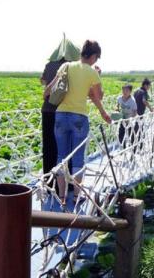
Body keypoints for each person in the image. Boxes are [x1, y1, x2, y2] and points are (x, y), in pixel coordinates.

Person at [44, 40, 111, 204]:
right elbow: (98, 96)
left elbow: (49, 89)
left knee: (61, 157)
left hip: (60, 115)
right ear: (94, 55)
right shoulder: (92, 72)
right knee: (78, 159)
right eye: (97, 57)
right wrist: (103, 112)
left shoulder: (66, 66)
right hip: (79, 117)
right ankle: (76, 196)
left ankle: (61, 197)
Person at [40, 36, 81, 181]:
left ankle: (48, 180)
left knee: (49, 147)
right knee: (65, 148)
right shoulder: (73, 66)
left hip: (47, 109)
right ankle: (66, 182)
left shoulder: (50, 65)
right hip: (64, 110)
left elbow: (42, 81)